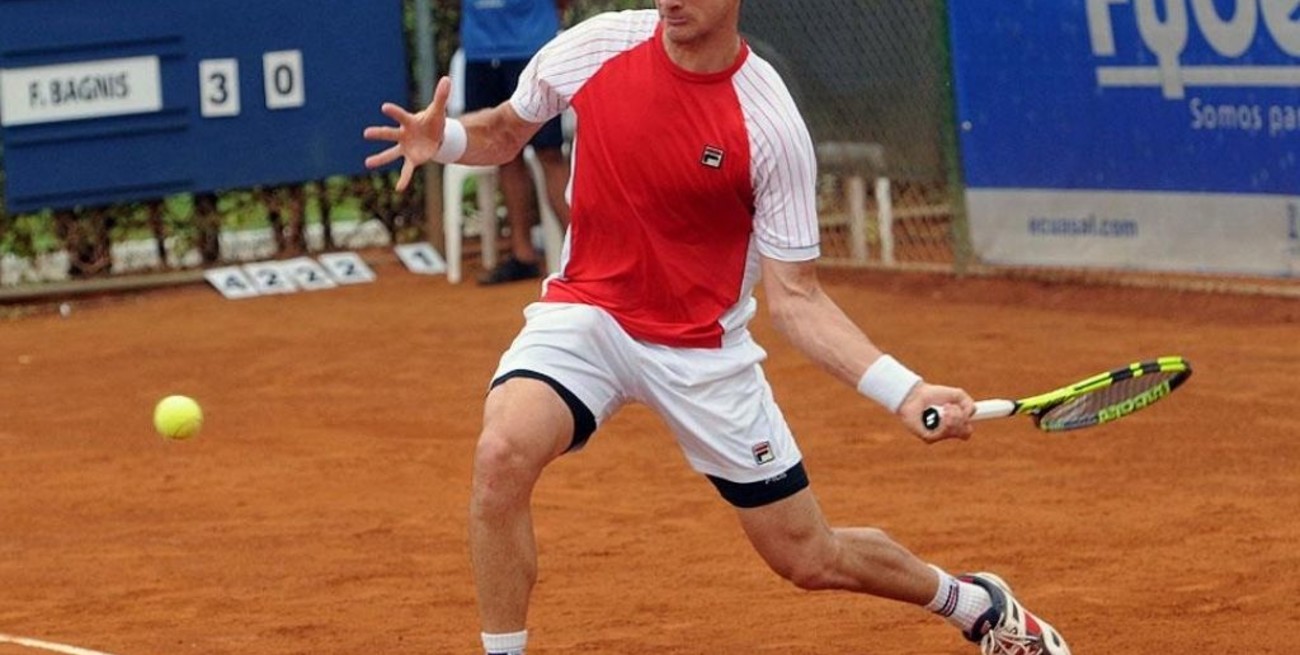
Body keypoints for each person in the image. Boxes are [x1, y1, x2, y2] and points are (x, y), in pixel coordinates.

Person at [363, 2, 1072, 654]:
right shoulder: (595, 46)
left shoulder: (767, 122)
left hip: (702, 351)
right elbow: (506, 131)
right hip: (588, 315)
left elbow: (797, 298)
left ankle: (973, 602)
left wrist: (904, 390)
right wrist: (444, 137)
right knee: (501, 453)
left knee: (809, 556)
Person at [459, 0, 571, 285]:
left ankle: (586, 255)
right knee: (503, 152)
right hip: (480, 51)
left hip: (532, 49)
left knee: (549, 153)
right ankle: (523, 255)